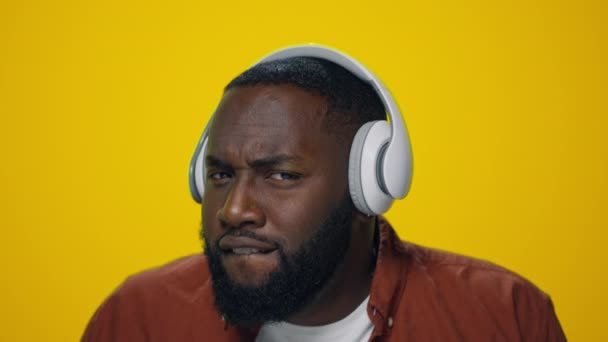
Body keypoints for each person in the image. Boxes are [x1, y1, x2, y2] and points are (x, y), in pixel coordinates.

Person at [82, 45, 566, 341]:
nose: (233, 210)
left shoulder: (503, 316)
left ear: (369, 185)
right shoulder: (139, 317)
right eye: (221, 175)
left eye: (281, 176)